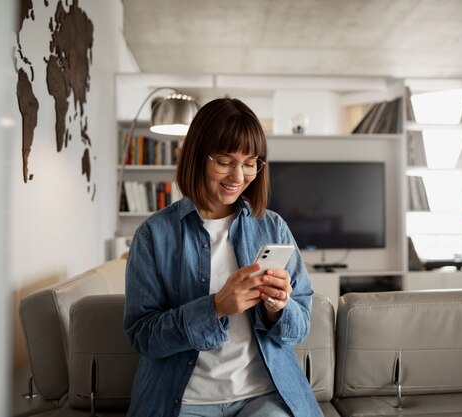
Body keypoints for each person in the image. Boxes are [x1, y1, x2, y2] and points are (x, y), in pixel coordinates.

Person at [123, 97, 322, 417]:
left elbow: (300, 328)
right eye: (225, 161)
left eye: (250, 162)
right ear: (198, 156)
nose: (238, 175)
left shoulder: (273, 227)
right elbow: (143, 336)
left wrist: (278, 308)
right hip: (183, 400)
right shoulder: (154, 235)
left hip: (261, 395)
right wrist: (215, 307)